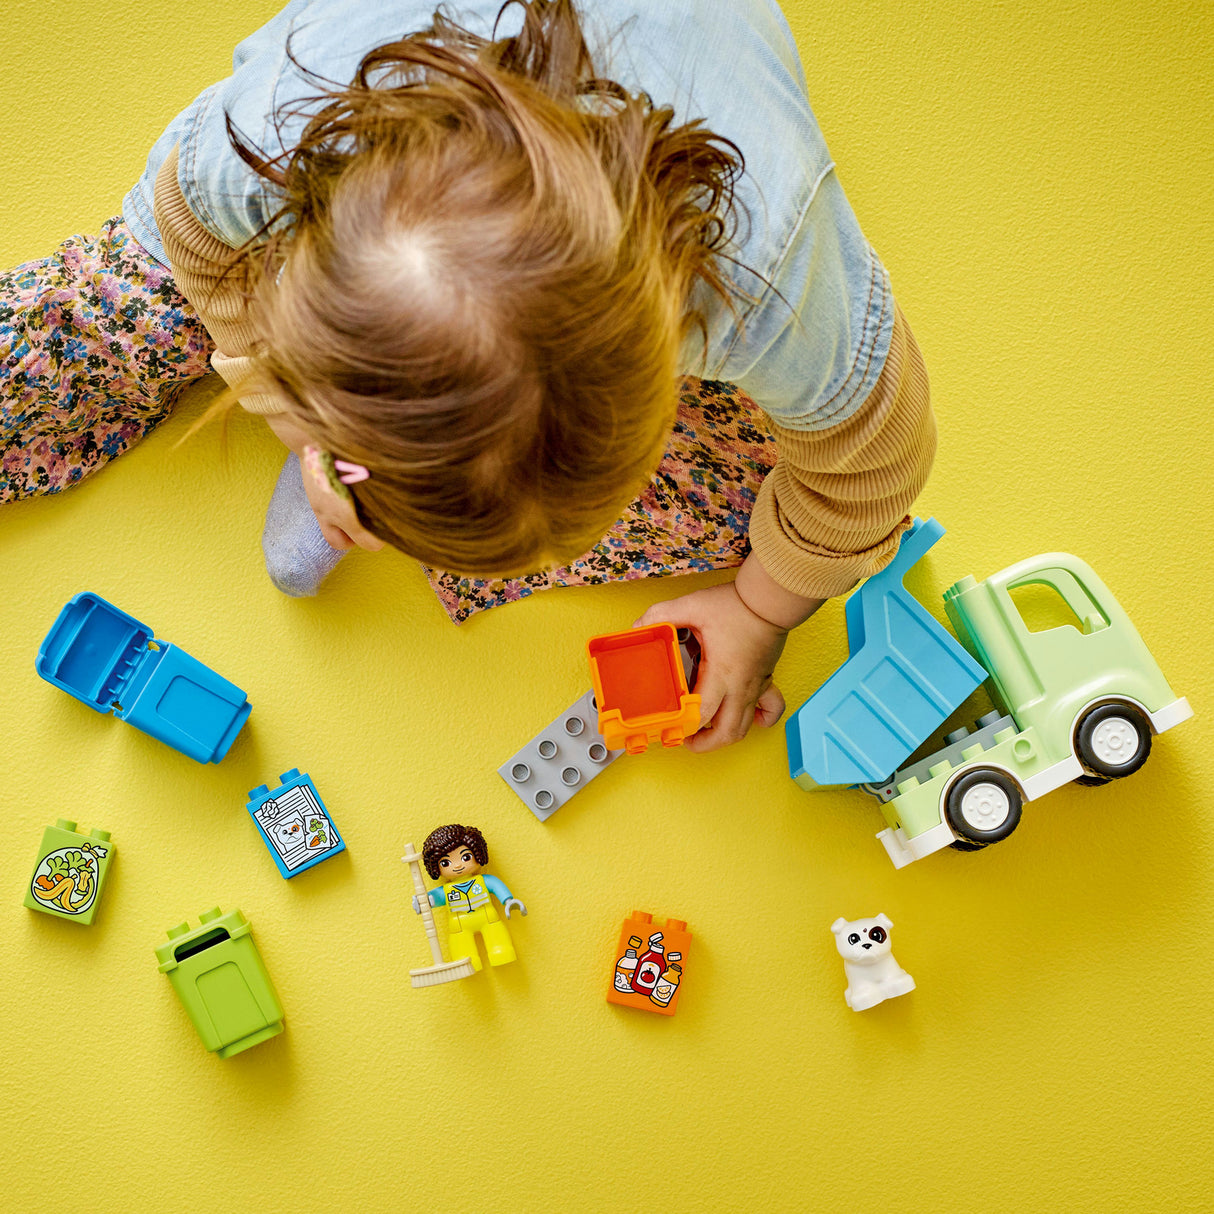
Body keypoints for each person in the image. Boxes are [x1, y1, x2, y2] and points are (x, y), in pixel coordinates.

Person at [0, 0, 934, 752]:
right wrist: (282, 403)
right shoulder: (262, 150)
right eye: (358, 476)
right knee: (98, 322)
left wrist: (756, 610)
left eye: (356, 484)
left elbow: (878, 458)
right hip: (327, 189)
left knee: (802, 526)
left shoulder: (770, 289)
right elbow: (193, 229)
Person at [415, 823, 526, 970]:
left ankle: (501, 951)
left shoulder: (484, 881)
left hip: (488, 919)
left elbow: (496, 886)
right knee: (463, 949)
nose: (457, 866)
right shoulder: (446, 890)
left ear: (477, 853)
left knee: (498, 939)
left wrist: (508, 901)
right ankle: (465, 962)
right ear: (436, 867)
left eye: (465, 857)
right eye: (446, 862)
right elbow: (433, 898)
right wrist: (422, 901)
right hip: (460, 926)